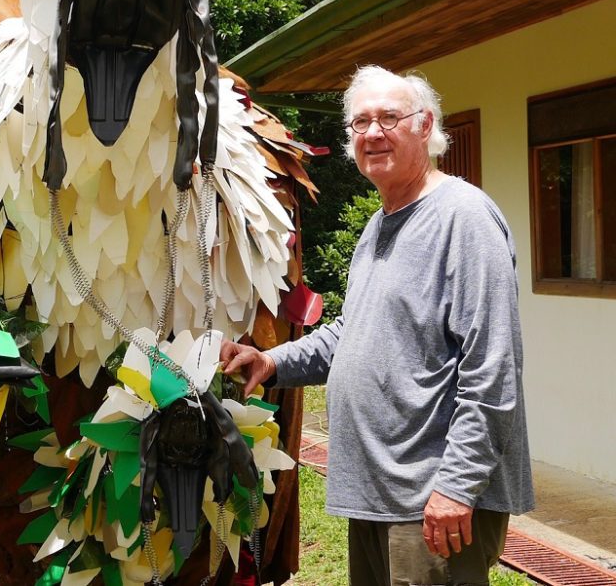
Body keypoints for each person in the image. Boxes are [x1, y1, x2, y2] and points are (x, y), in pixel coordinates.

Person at [220, 66, 534, 586]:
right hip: (379, 492)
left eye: (389, 118)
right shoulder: (379, 223)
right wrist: (271, 361)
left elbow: (492, 366)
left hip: (431, 498)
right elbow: (353, 330)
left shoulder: (463, 218)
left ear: (425, 125)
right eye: (360, 122)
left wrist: (457, 486)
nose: (373, 133)